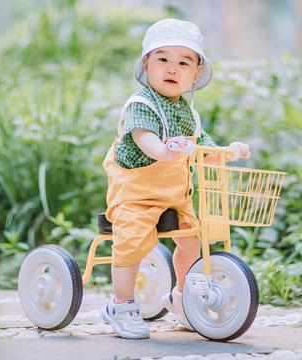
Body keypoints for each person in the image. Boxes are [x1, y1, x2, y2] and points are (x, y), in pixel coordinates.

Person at [100, 18, 250, 339]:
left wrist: (228, 151)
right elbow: (145, 139)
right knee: (130, 242)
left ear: (196, 73)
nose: (172, 68)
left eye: (184, 62)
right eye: (163, 59)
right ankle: (121, 304)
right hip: (136, 194)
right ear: (147, 64)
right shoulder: (141, 105)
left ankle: (183, 297)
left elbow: (205, 147)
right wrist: (163, 150)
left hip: (175, 195)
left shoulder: (188, 113)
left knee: (192, 240)